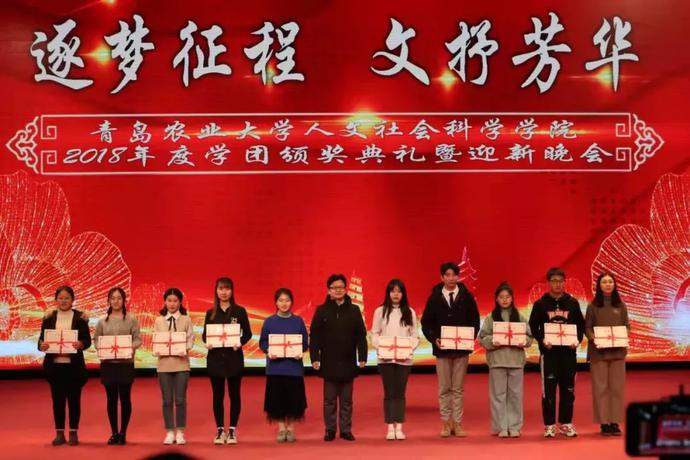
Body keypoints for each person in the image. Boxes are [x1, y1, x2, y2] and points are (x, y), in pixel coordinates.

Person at [421, 261, 480, 438]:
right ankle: (446, 423)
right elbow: (426, 323)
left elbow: (475, 322)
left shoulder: (467, 297)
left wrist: (468, 339)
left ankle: (458, 423)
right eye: (447, 275)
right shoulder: (434, 297)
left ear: (458, 277)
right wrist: (434, 339)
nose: (451, 278)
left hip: (461, 351)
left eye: (454, 275)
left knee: (458, 389)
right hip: (442, 350)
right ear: (442, 277)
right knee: (444, 388)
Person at [528, 267, 586, 438]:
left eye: (560, 281)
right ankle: (549, 425)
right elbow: (533, 326)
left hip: (568, 354)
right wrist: (541, 340)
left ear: (564, 282)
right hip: (549, 354)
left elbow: (580, 325)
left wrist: (577, 340)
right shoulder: (540, 304)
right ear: (548, 283)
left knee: (568, 389)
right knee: (548, 390)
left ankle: (566, 423)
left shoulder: (572, 303)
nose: (557, 284)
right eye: (554, 281)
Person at [309, 274, 368, 442]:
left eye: (341, 287)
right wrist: (314, 357)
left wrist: (362, 356)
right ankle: (330, 429)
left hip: (348, 360)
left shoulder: (354, 310)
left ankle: (346, 430)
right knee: (329, 400)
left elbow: (361, 335)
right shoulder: (321, 310)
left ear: (346, 289)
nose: (338, 290)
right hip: (328, 361)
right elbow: (315, 336)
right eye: (334, 288)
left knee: (347, 400)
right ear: (329, 290)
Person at [38, 285, 92, 446]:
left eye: (67, 298)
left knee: (74, 401)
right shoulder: (49, 317)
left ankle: (73, 432)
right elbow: (41, 340)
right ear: (56, 300)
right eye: (60, 298)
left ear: (72, 299)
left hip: (74, 368)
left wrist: (81, 344)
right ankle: (59, 433)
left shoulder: (80, 317)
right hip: (55, 367)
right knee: (58, 401)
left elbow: (87, 340)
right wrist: (42, 345)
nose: (63, 301)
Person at [478, 282, 533, 438]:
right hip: (497, 361)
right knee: (498, 395)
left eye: (507, 297)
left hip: (516, 361)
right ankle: (500, 426)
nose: (504, 300)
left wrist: (524, 341)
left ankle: (514, 426)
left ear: (512, 298)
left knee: (515, 395)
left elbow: (529, 337)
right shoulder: (491, 317)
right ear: (496, 299)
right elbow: (482, 338)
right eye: (501, 297)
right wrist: (493, 341)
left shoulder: (520, 317)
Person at [201, 277, 252, 445]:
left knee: (234, 395)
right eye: (221, 289)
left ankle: (232, 430)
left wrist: (240, 342)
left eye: (227, 288)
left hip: (234, 359)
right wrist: (208, 343)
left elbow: (248, 334)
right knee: (218, 396)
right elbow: (205, 335)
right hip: (215, 359)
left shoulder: (239, 311)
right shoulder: (210, 312)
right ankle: (220, 430)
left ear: (232, 291)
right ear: (216, 291)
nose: (224, 292)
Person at [371, 279, 419, 440]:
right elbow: (374, 333)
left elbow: (415, 336)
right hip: (385, 359)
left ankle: (399, 426)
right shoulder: (380, 311)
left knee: (400, 393)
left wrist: (408, 348)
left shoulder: (409, 312)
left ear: (403, 294)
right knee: (389, 393)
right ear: (388, 293)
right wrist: (382, 347)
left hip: (404, 360)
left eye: (399, 291)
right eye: (393, 291)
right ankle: (390, 427)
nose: (396, 294)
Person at [259, 288, 309, 443]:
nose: (284, 303)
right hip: (275, 368)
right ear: (276, 302)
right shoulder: (269, 321)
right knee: (277, 400)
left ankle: (291, 428)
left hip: (294, 368)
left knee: (294, 400)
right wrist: (268, 351)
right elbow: (263, 342)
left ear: (291, 302)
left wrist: (300, 351)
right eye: (281, 300)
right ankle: (281, 428)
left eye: (287, 300)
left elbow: (305, 342)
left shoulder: (298, 321)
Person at [94, 287, 142, 445]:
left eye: (119, 298)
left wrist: (129, 347)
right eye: (113, 298)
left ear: (124, 300)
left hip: (125, 364)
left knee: (125, 398)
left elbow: (138, 339)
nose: (116, 301)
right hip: (108, 365)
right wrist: (101, 347)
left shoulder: (131, 319)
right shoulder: (102, 321)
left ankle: (123, 433)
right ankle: (114, 432)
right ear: (108, 301)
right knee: (111, 399)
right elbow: (96, 340)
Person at [585, 272, 630, 436]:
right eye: (604, 282)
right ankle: (604, 422)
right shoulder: (593, 306)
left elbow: (627, 326)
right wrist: (594, 338)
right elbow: (587, 328)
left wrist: (623, 335)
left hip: (618, 352)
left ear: (614, 284)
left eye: (610, 281)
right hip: (599, 353)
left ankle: (615, 421)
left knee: (617, 389)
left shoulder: (621, 306)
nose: (608, 284)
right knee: (600, 388)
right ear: (599, 285)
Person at [154, 287, 195, 445]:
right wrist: (157, 349)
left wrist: (184, 349)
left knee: (180, 400)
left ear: (180, 302)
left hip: (182, 365)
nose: (172, 304)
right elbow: (156, 340)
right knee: (166, 400)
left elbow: (191, 339)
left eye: (175, 301)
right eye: (169, 301)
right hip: (164, 365)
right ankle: (169, 432)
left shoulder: (186, 319)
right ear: (165, 302)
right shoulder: (158, 320)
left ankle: (180, 432)